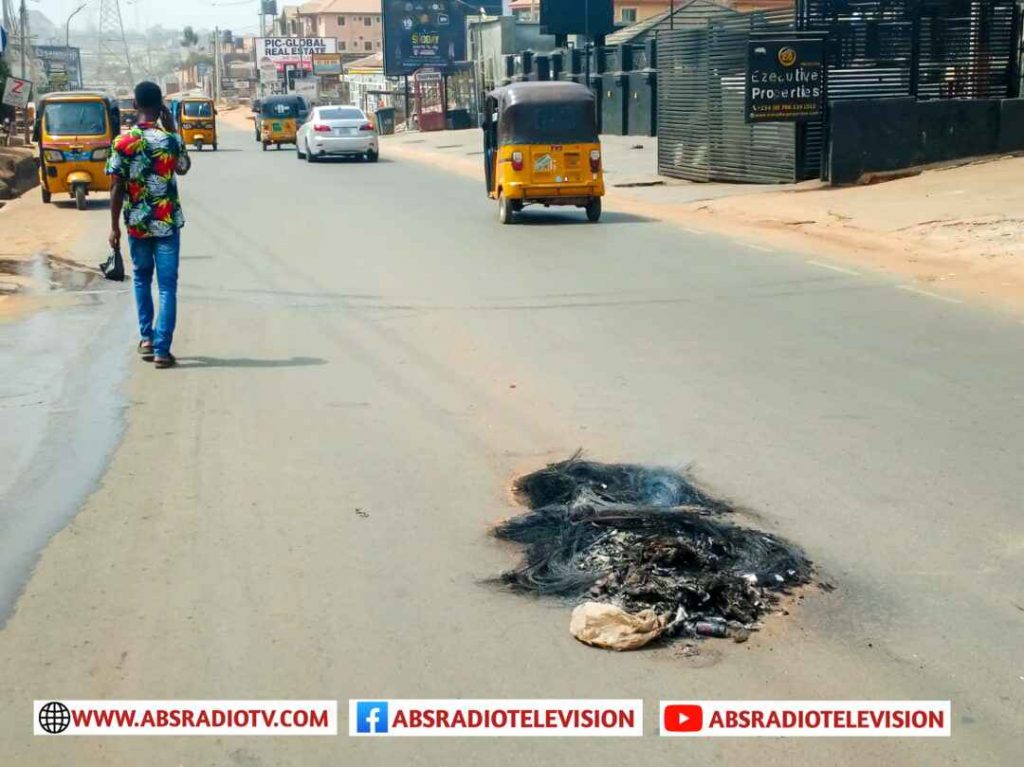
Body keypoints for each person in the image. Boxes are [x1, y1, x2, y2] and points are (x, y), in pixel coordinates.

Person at [107, 81, 190, 369]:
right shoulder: (170, 141)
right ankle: (162, 351)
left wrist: (114, 227)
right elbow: (183, 167)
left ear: (134, 105)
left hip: (137, 224)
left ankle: (146, 339)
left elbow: (116, 187)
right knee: (167, 287)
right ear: (161, 106)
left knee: (142, 279)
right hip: (166, 223)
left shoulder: (122, 142)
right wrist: (174, 129)